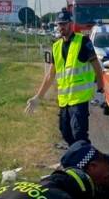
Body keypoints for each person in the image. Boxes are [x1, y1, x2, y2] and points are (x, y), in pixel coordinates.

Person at [25, 9, 103, 145]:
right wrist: (38, 97)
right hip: (64, 101)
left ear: (71, 24)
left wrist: (101, 86)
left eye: (64, 24)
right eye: (59, 24)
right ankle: (78, 158)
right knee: (65, 132)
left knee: (79, 134)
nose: (61, 27)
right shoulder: (56, 47)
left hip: (79, 99)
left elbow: (96, 65)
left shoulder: (83, 42)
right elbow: (50, 75)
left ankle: (86, 162)